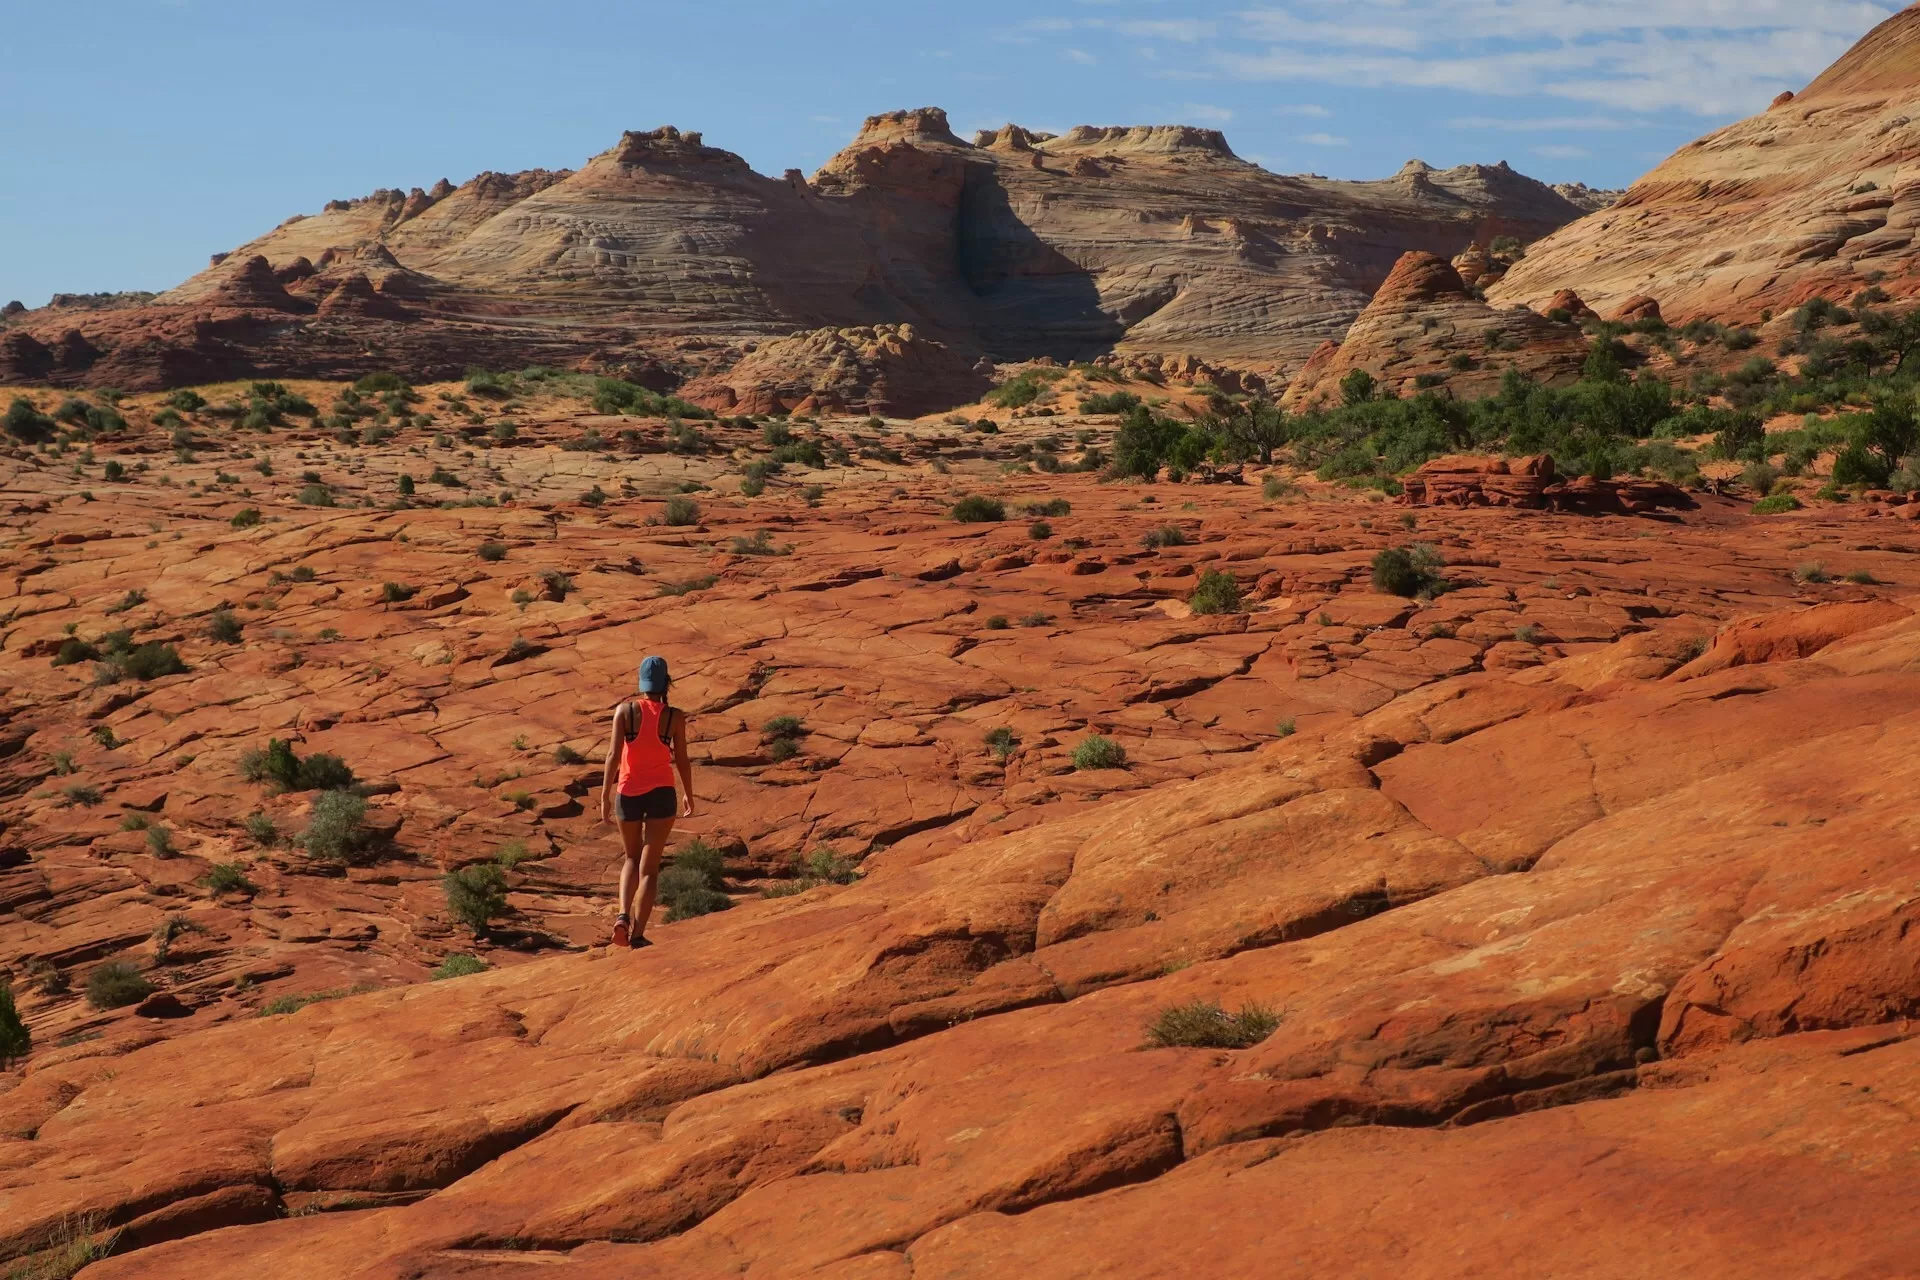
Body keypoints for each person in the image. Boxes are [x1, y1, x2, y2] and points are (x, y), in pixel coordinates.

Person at [600, 655, 694, 948]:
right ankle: (638, 934)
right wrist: (689, 792)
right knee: (650, 868)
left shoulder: (624, 711)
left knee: (631, 857)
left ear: (641, 682)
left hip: (628, 793)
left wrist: (604, 795)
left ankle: (622, 916)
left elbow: (613, 756)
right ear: (666, 682)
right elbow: (681, 759)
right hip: (662, 794)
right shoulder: (674, 717)